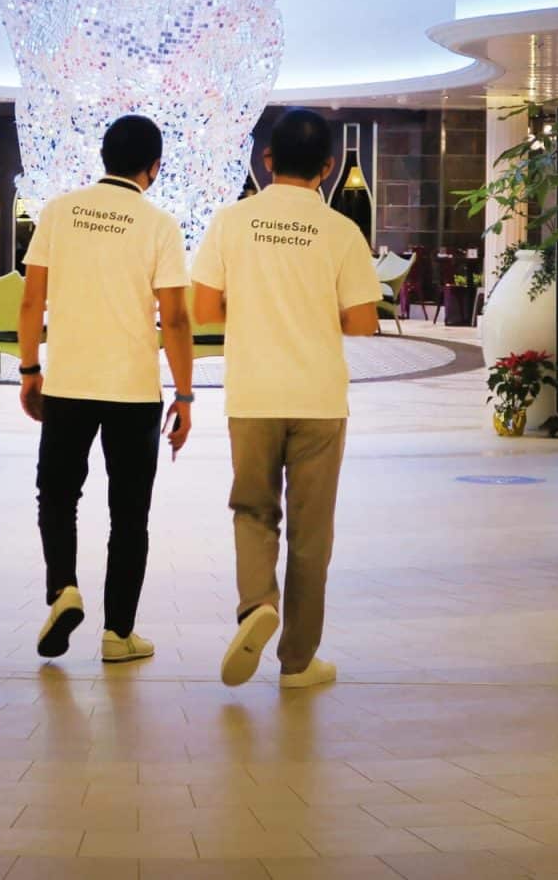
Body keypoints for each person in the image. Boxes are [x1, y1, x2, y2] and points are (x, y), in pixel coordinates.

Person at [191, 108, 382, 690]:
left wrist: (254, 306)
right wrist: (314, 309)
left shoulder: (231, 221)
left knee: (252, 510)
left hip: (253, 393)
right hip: (319, 397)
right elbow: (363, 322)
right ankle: (298, 662)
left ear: (267, 160)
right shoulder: (342, 232)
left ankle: (256, 604)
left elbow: (203, 310)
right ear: (328, 167)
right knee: (311, 532)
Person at [18, 115, 194, 664]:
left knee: (57, 495)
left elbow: (31, 301)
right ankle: (119, 634)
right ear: (154, 167)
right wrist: (185, 395)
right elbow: (176, 319)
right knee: (130, 514)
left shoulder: (59, 210)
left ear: (103, 156)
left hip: (69, 383)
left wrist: (30, 370)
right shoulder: (160, 224)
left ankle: (63, 589)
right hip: (134, 391)